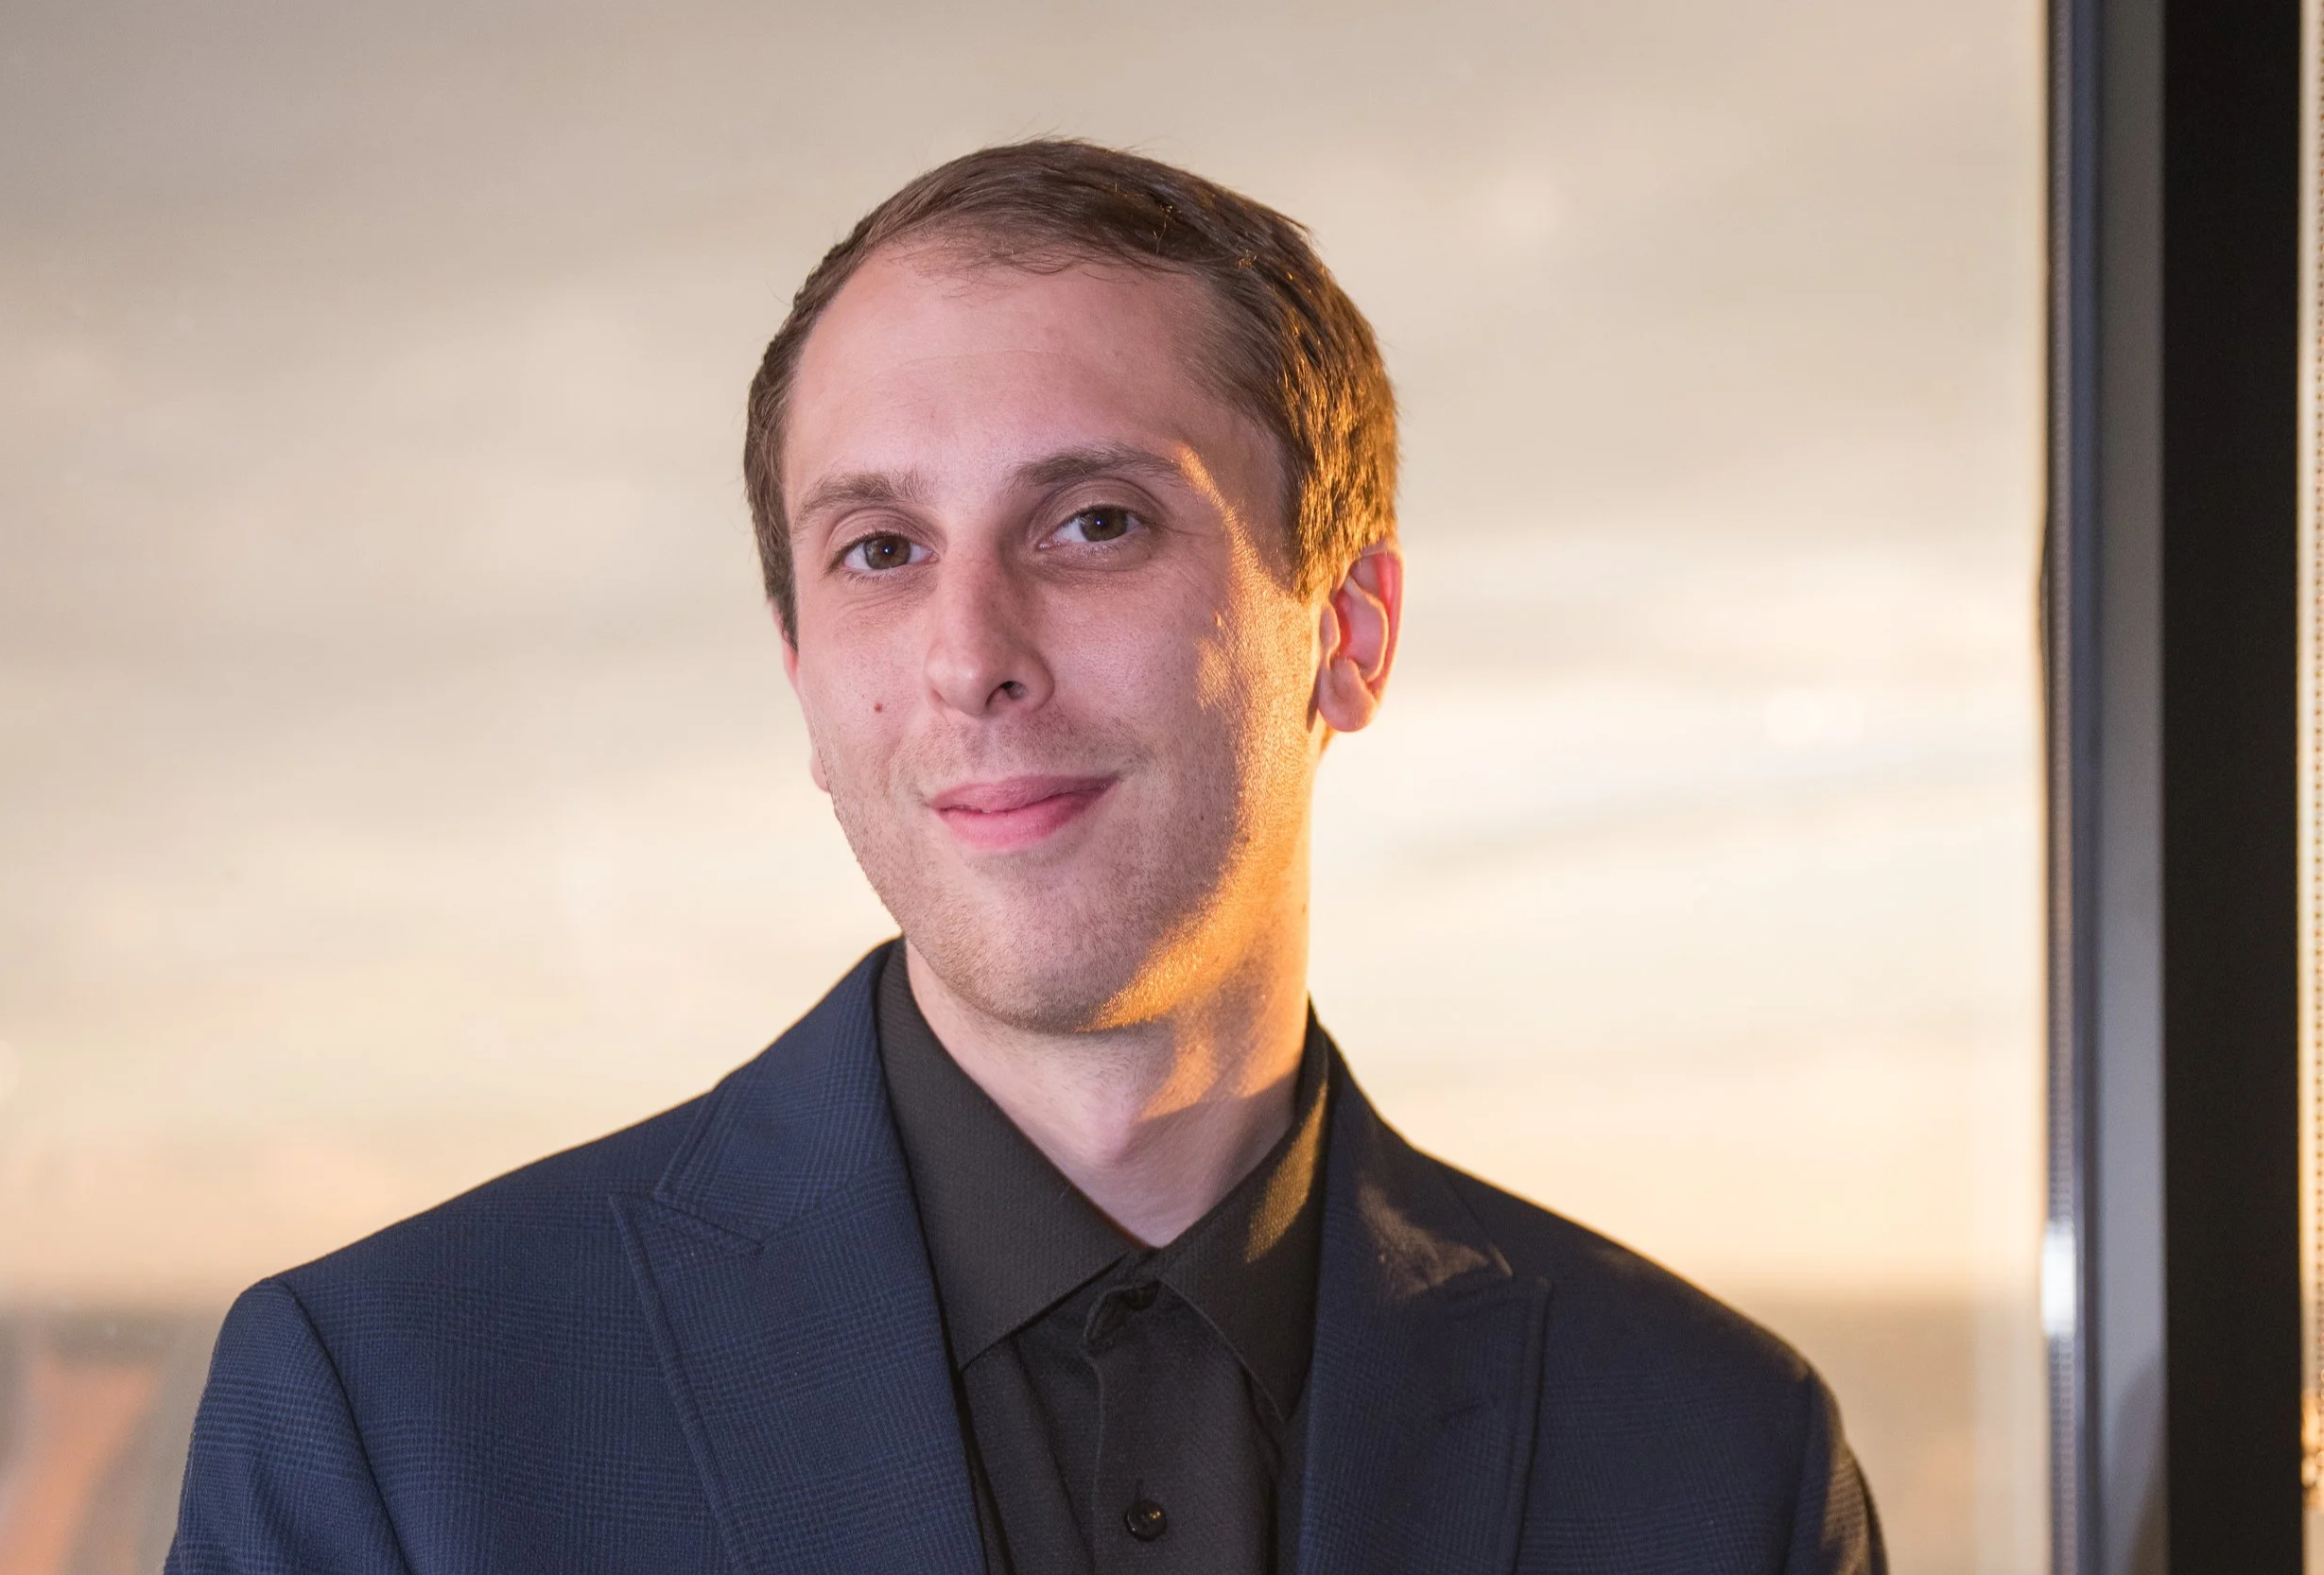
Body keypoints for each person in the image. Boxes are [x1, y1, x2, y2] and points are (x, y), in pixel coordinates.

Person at [167, 140, 1883, 1575]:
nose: (969, 655)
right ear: (800, 671)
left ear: (1346, 630)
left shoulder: (1718, 1463)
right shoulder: (387, 1415)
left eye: (1093, 523)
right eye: (880, 547)